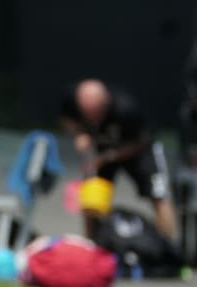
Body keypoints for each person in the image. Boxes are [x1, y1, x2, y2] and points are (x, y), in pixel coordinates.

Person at [59, 78, 178, 240]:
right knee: (91, 199)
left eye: (97, 113)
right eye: (88, 114)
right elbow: (66, 120)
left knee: (159, 195)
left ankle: (167, 245)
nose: (93, 120)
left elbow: (139, 142)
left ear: (106, 102)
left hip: (138, 150)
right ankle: (91, 245)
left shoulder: (126, 108)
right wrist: (79, 134)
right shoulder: (71, 102)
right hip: (102, 151)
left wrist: (107, 157)